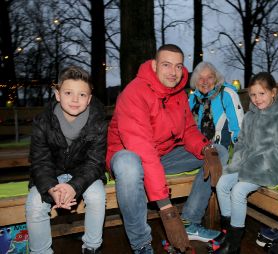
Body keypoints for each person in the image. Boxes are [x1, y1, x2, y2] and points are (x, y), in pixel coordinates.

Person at [106, 44, 229, 254]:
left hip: (162, 156)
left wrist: (205, 148)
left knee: (218, 151)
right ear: (154, 65)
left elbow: (189, 129)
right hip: (131, 157)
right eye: (166, 65)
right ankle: (141, 245)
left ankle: (190, 222)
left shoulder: (179, 94)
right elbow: (142, 150)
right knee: (128, 164)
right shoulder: (134, 93)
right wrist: (167, 211)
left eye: (178, 66)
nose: (173, 72)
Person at [213, 72, 278, 254]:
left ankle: (234, 245)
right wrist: (237, 163)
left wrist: (257, 164)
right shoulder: (250, 117)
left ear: (273, 92)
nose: (257, 99)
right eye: (253, 95)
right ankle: (229, 234)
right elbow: (242, 144)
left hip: (272, 168)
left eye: (262, 93)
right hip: (248, 164)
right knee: (222, 183)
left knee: (238, 190)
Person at [25, 66, 107, 254]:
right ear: (58, 94)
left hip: (83, 173)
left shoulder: (98, 122)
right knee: (35, 203)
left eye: (82, 95)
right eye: (68, 92)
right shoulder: (43, 121)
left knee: (97, 196)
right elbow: (40, 161)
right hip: (51, 173)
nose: (75, 100)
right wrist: (52, 188)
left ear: (89, 99)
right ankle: (41, 251)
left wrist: (73, 186)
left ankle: (92, 248)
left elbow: (95, 162)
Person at [189, 61, 244, 150]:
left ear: (216, 79)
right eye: (200, 78)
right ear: (195, 81)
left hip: (221, 149)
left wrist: (239, 152)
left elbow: (238, 127)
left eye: (209, 77)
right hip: (197, 149)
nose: (205, 82)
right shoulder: (192, 99)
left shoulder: (226, 94)